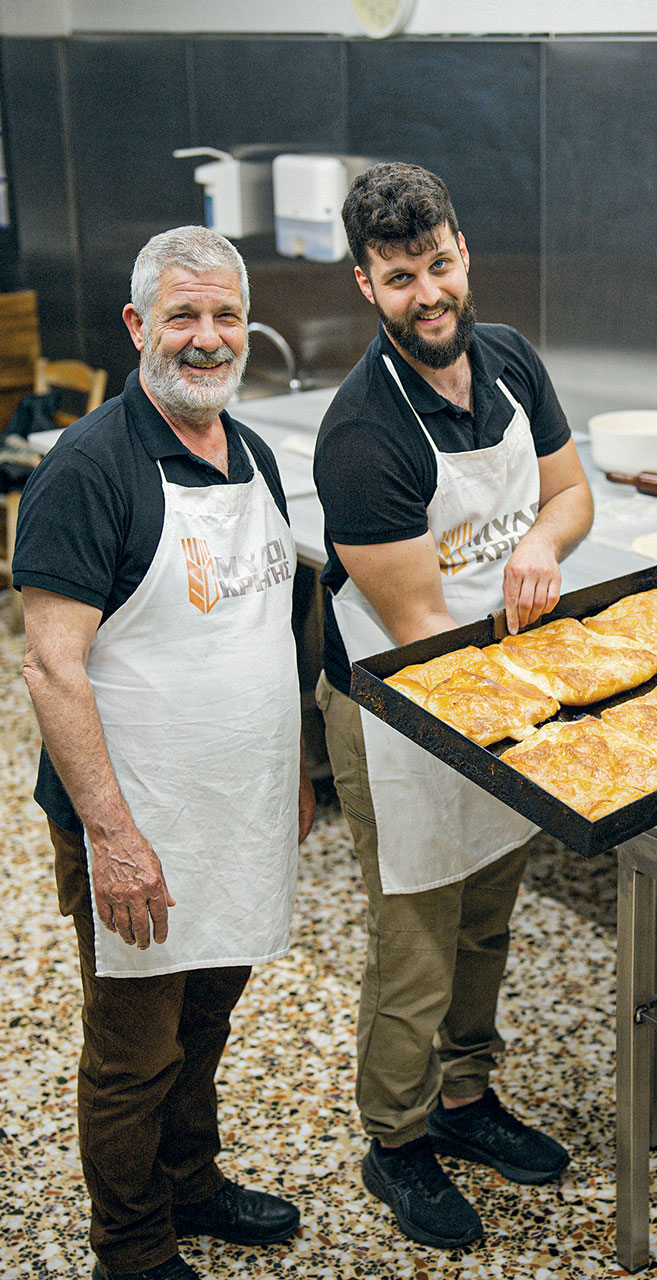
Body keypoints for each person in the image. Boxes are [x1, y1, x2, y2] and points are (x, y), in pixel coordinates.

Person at [12, 226, 316, 1280]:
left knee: (207, 1015)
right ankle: (131, 1243)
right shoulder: (88, 469)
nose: (207, 337)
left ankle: (193, 1181)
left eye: (226, 315)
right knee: (136, 1050)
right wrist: (113, 834)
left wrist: (290, 776)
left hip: (233, 805)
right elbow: (53, 669)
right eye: (183, 315)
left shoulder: (253, 450)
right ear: (139, 326)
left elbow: (263, 630)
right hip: (134, 817)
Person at [312, 162, 594, 1249]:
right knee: (418, 939)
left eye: (439, 264)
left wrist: (537, 541)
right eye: (399, 277)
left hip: (502, 688)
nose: (428, 293)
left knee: (488, 919)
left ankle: (467, 1101)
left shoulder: (512, 358)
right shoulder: (364, 433)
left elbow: (572, 493)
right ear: (365, 286)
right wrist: (558, 719)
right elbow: (426, 628)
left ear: (462, 251)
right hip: (409, 714)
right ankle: (396, 1138)